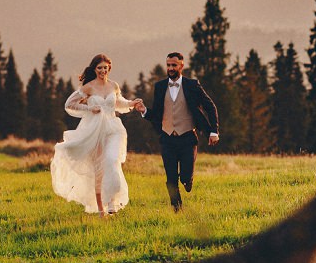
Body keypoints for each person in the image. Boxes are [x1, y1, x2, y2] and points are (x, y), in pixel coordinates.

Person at [51, 53, 143, 217]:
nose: (102, 70)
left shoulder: (113, 86)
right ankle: (101, 210)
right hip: (94, 131)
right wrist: (88, 108)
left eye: (105, 68)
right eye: (99, 68)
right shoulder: (88, 87)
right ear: (94, 69)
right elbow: (69, 104)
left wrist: (131, 103)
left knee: (112, 160)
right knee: (99, 171)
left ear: (109, 68)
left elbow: (119, 103)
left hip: (113, 129)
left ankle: (112, 202)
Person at [134, 52, 219, 211]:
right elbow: (158, 114)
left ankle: (188, 180)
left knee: (185, 176)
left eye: (174, 65)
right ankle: (177, 209)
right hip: (167, 139)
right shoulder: (159, 87)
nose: (171, 68)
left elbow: (210, 106)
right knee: (171, 178)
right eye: (168, 65)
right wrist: (144, 110)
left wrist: (213, 131)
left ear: (181, 66)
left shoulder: (192, 85)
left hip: (187, 138)